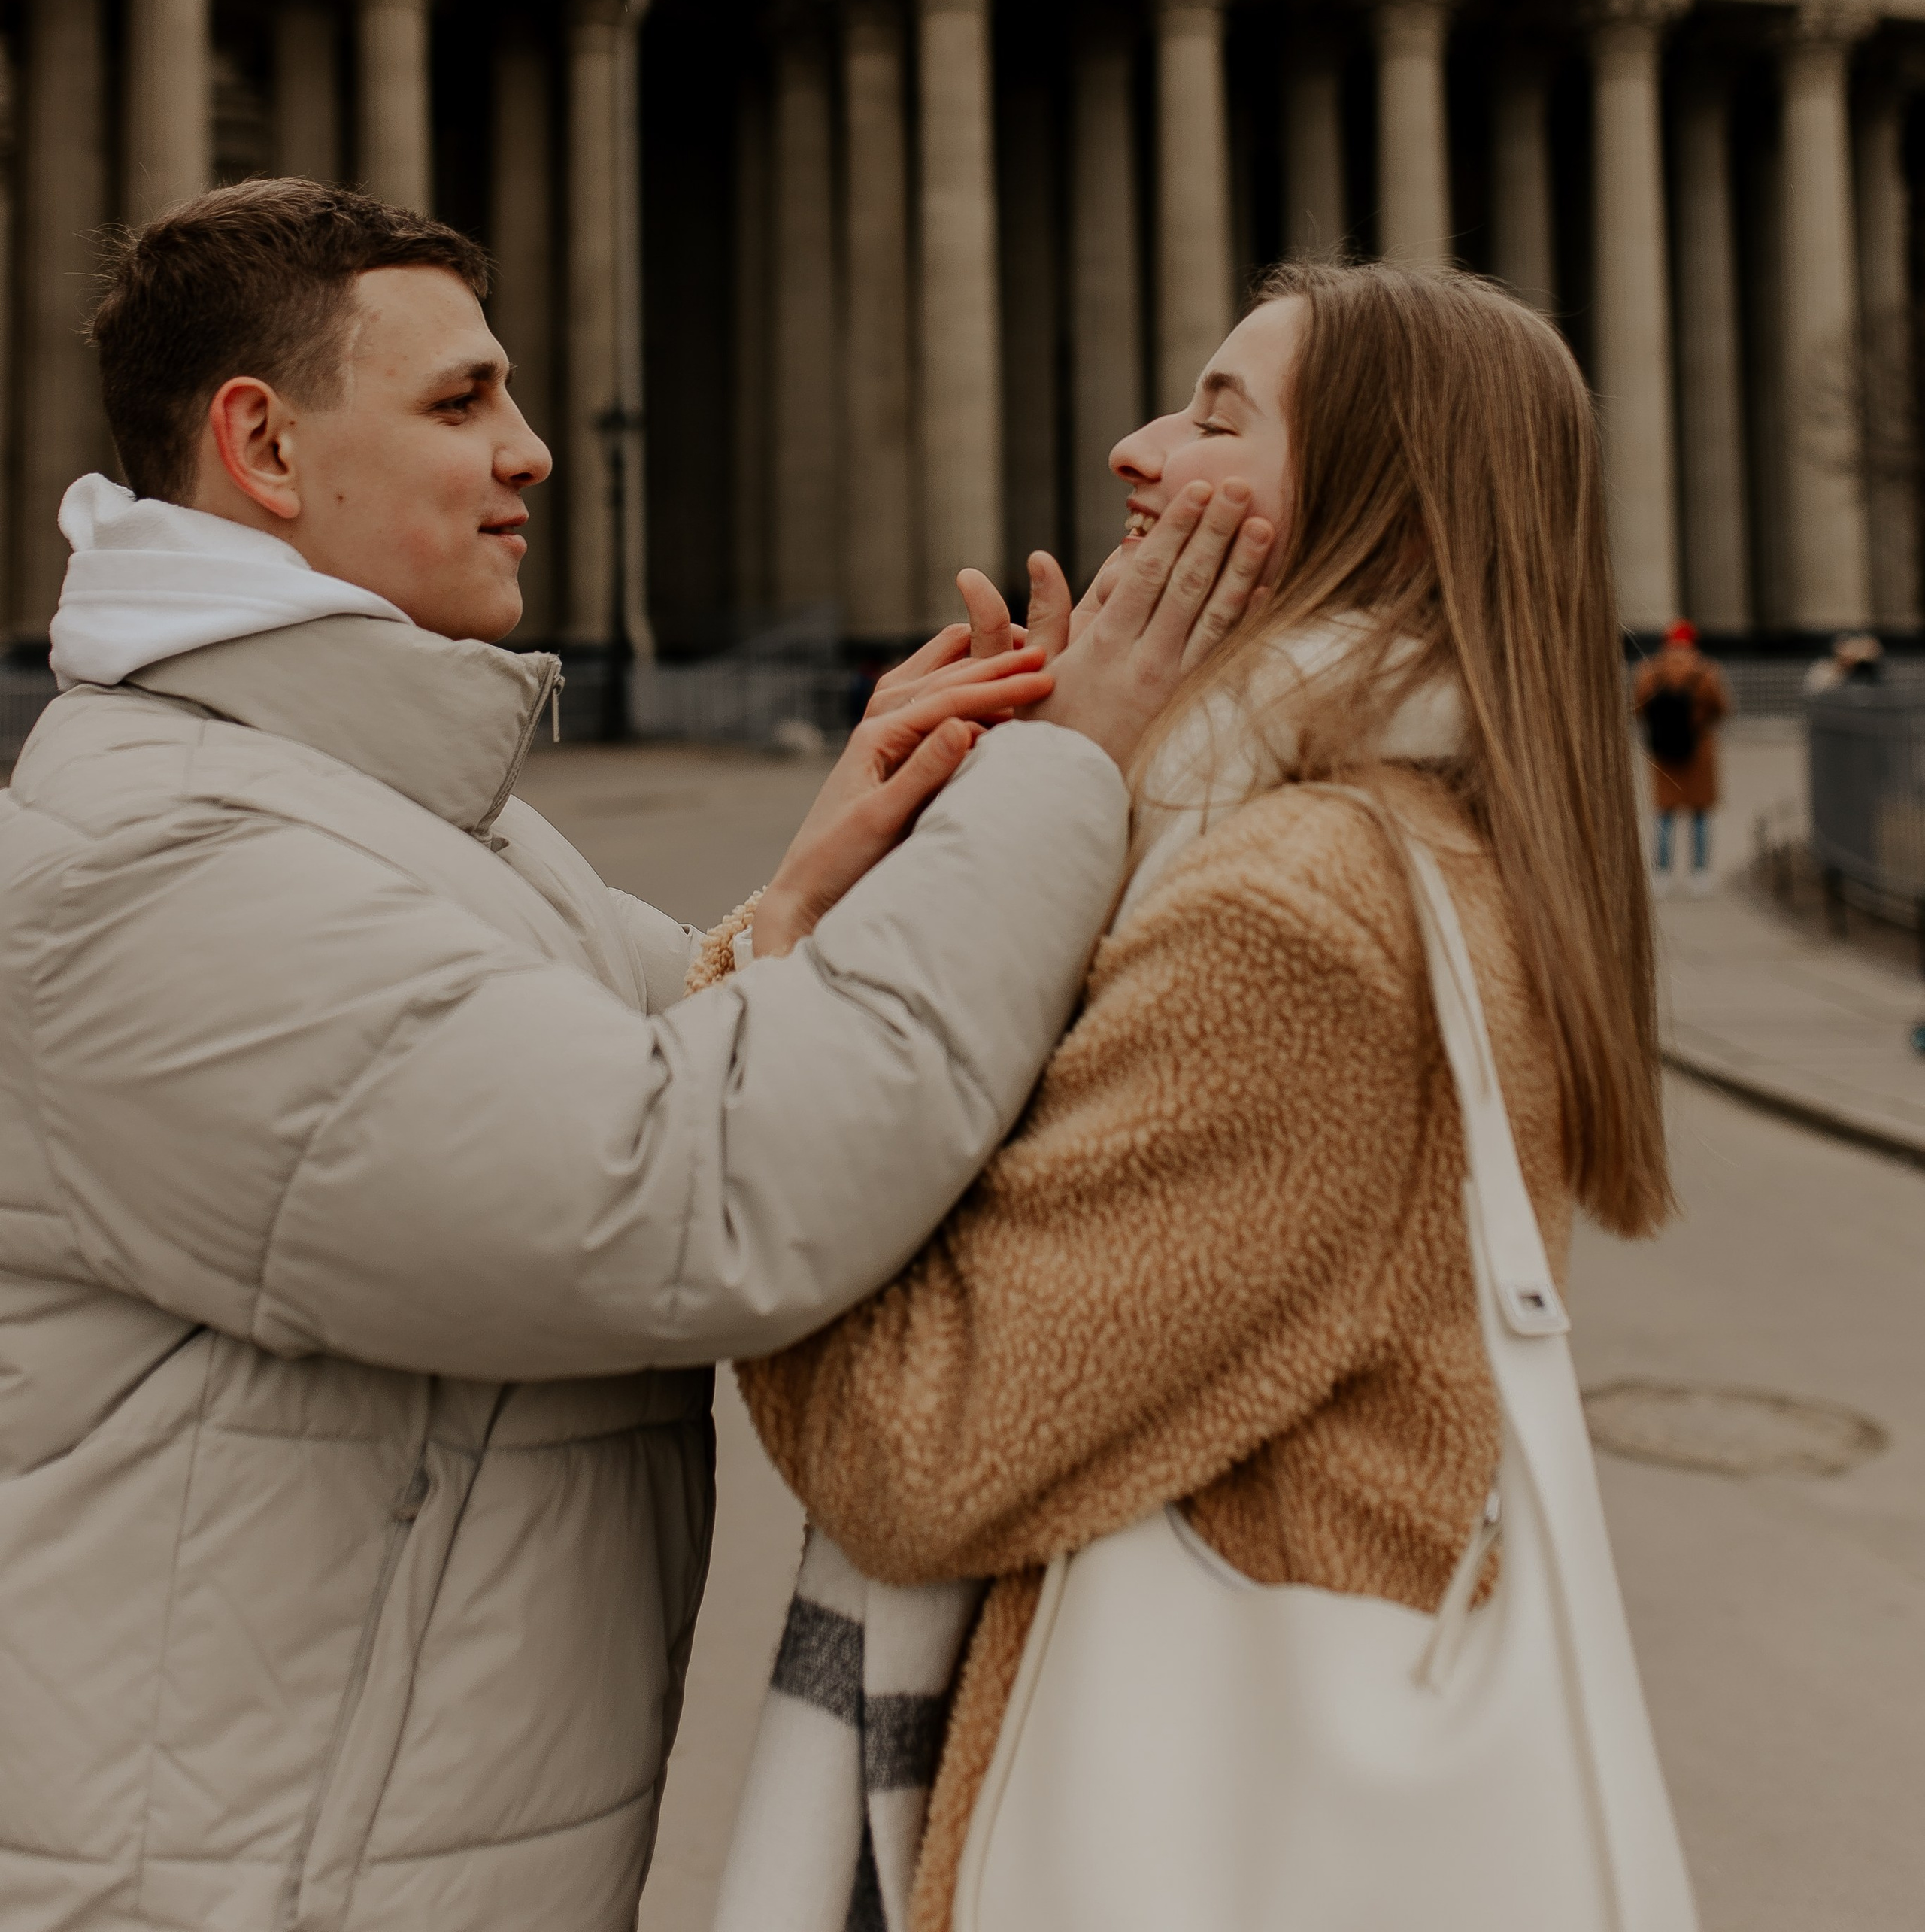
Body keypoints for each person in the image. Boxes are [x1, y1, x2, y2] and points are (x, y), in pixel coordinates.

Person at [0, 176, 1271, 1932]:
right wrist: (1070, 769)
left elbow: (668, 1041)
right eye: (461, 399)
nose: (530, 448)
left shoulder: (386, 814)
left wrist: (816, 878)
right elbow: (696, 1190)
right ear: (263, 448)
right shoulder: (161, 866)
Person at [720, 258, 1672, 1932]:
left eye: (1219, 422)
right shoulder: (1335, 850)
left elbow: (912, 1453)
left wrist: (787, 954)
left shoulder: (1301, 915)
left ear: (1375, 518)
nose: (1136, 450)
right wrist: (1002, 847)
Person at [1634, 616, 1732, 896]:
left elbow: (1638, 708)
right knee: (1700, 813)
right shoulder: (1707, 671)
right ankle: (1699, 874)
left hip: (1663, 751)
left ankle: (1662, 874)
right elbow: (1723, 708)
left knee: (1664, 813)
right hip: (1699, 750)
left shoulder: (1650, 670)